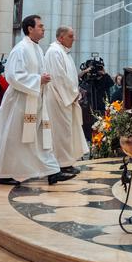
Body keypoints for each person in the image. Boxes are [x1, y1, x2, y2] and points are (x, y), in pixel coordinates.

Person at [0, 15, 71, 186]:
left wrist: (43, 80)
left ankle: (52, 172)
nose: (44, 29)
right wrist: (38, 80)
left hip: (35, 100)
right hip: (19, 103)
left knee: (40, 138)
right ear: (30, 28)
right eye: (40, 26)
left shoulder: (37, 48)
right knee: (14, 139)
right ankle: (4, 173)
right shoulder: (20, 49)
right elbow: (13, 76)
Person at [43, 26, 88, 176]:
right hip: (58, 98)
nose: (73, 39)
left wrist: (75, 92)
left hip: (65, 98)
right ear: (61, 37)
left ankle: (66, 163)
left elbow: (69, 77)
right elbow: (59, 77)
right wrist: (74, 94)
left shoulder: (63, 52)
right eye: (70, 36)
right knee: (61, 132)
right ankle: (60, 165)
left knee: (67, 131)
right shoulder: (54, 52)